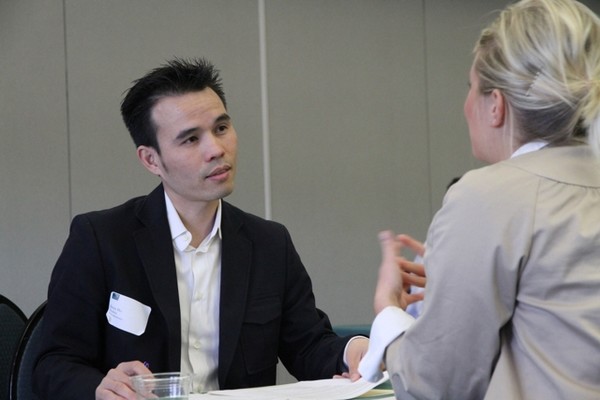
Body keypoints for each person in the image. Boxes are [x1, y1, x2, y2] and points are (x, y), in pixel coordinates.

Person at [33, 58, 368, 399]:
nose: (216, 150)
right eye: (191, 139)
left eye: (221, 128)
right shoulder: (101, 239)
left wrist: (353, 350)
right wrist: (99, 387)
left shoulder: (269, 243)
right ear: (151, 160)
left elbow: (308, 346)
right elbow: (54, 364)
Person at [358, 0, 600, 399]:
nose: (465, 105)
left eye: (469, 87)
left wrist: (388, 311)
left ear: (496, 105)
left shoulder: (488, 197)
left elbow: (435, 385)